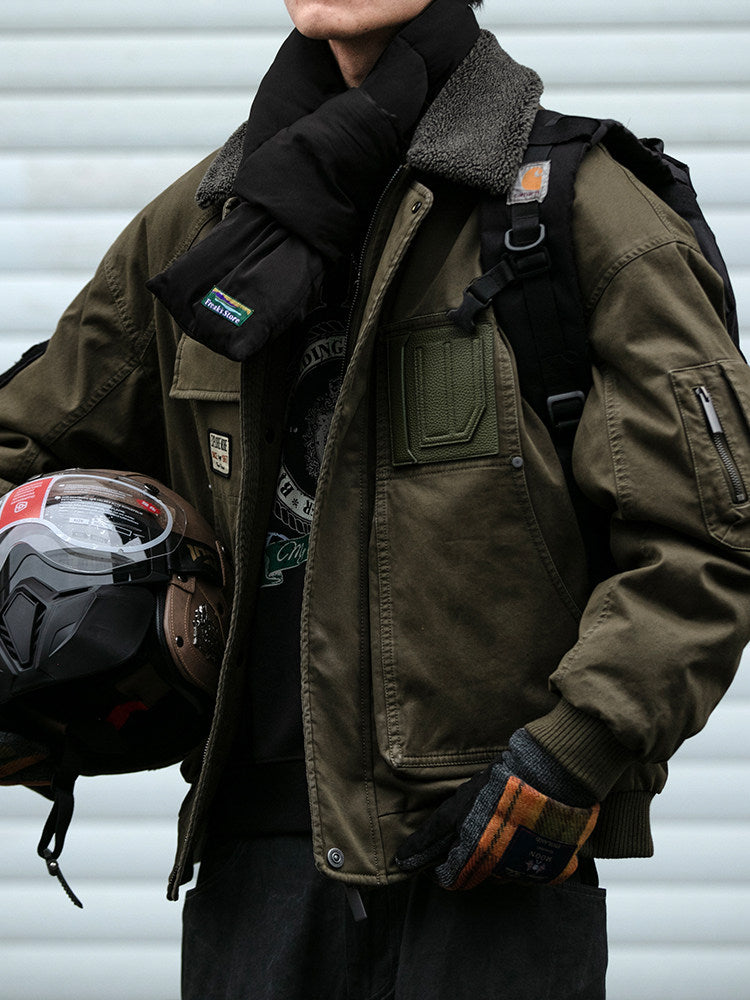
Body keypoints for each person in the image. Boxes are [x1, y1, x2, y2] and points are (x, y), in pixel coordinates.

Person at [1, 0, 749, 997]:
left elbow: (707, 536)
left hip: (485, 879)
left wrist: (574, 753)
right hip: (255, 886)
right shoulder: (204, 228)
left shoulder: (579, 210)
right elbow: (25, 447)